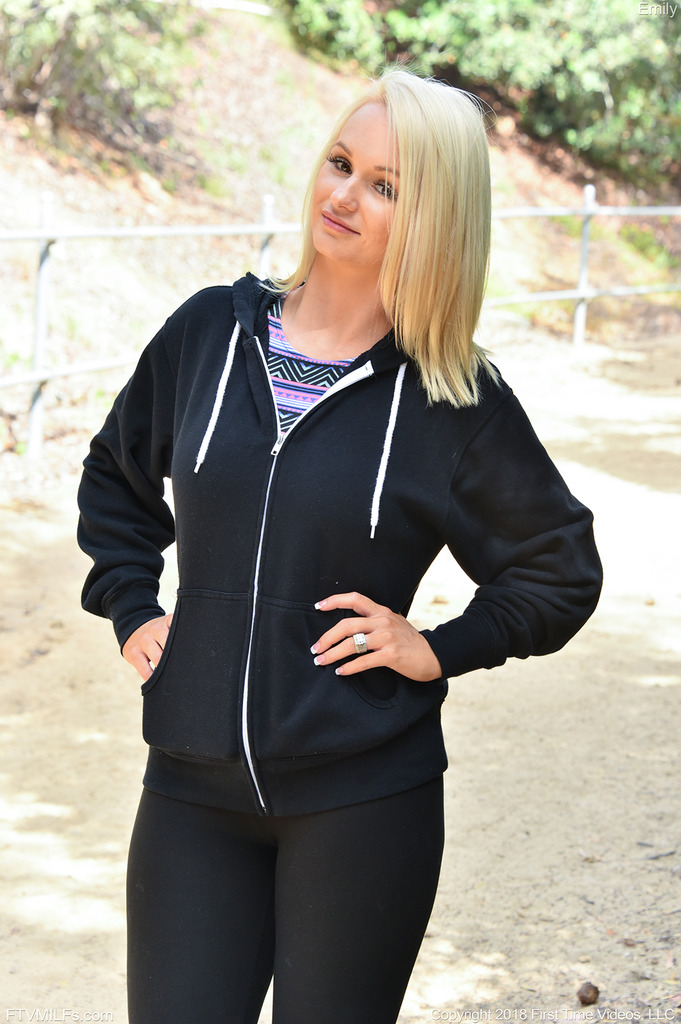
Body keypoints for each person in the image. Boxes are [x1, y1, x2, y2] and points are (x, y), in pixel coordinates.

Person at [77, 68, 602, 1024]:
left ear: (434, 218)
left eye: (385, 185)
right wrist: (131, 603)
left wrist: (437, 647)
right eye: (339, 163)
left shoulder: (451, 398)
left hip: (364, 802)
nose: (344, 195)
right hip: (191, 793)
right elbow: (115, 472)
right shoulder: (209, 334)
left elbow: (558, 564)